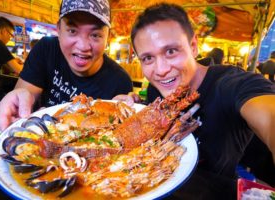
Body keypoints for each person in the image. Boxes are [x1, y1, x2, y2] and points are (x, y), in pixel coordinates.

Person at [113, 3, 275, 199]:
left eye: (171, 51)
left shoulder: (230, 84)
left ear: (194, 46)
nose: (161, 69)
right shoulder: (157, 88)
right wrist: (135, 104)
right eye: (147, 58)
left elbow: (268, 113)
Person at [0, 0, 133, 131]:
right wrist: (19, 100)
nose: (83, 46)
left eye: (95, 35)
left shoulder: (120, 81)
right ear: (59, 30)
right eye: (72, 31)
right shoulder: (46, 50)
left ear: (108, 38)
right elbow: (25, 97)